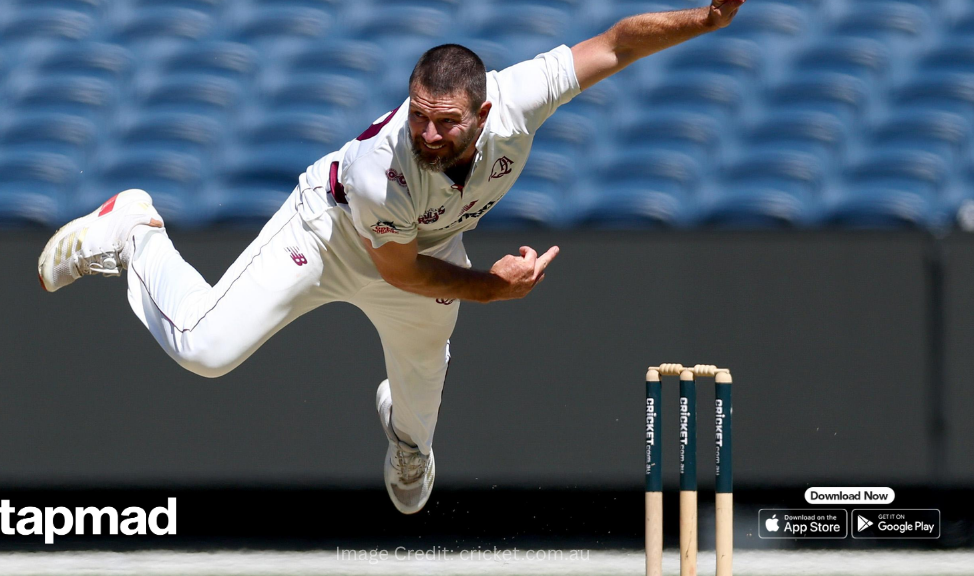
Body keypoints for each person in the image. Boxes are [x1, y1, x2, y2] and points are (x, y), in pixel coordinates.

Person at [37, 0, 745, 514]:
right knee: (204, 349)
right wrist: (493, 289)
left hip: (424, 248)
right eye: (418, 115)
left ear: (484, 113)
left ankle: (406, 438)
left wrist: (705, 20)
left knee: (417, 425)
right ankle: (135, 231)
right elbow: (399, 272)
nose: (428, 132)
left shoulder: (521, 97)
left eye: (445, 121)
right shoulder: (386, 167)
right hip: (330, 234)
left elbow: (617, 44)